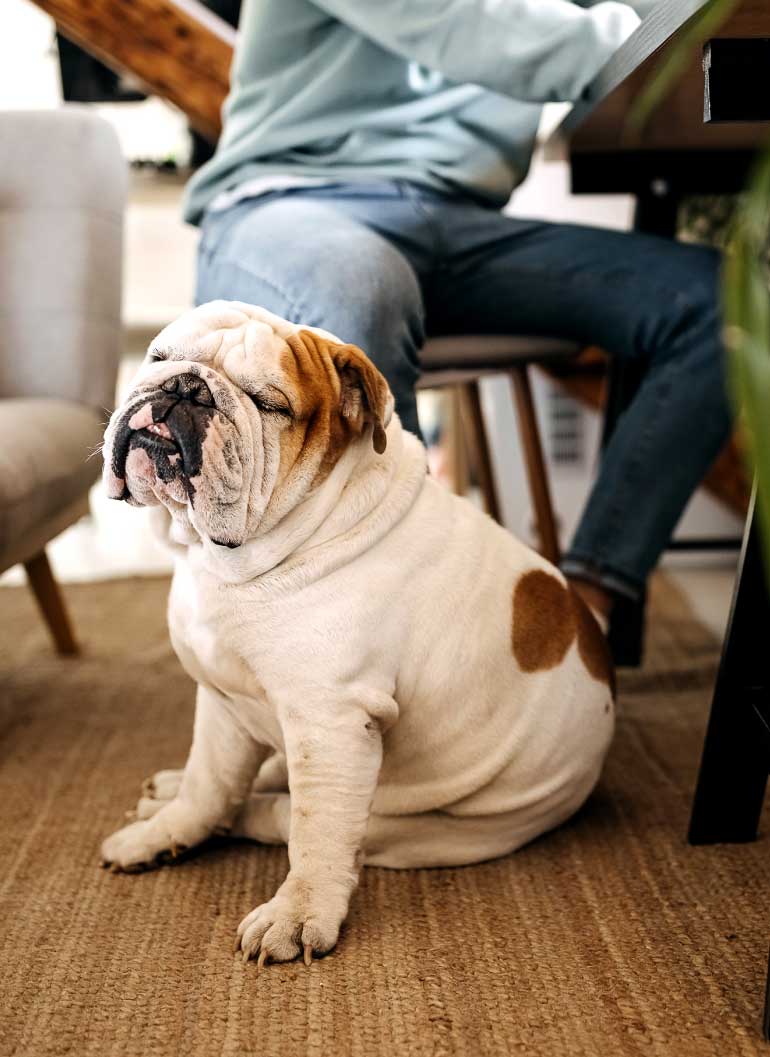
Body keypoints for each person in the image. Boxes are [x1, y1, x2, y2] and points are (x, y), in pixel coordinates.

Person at [183, 0, 731, 627]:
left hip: (458, 221)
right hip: (289, 201)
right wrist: (682, 28)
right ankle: (405, 624)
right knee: (364, 286)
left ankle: (584, 607)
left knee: (716, 301)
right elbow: (465, 28)